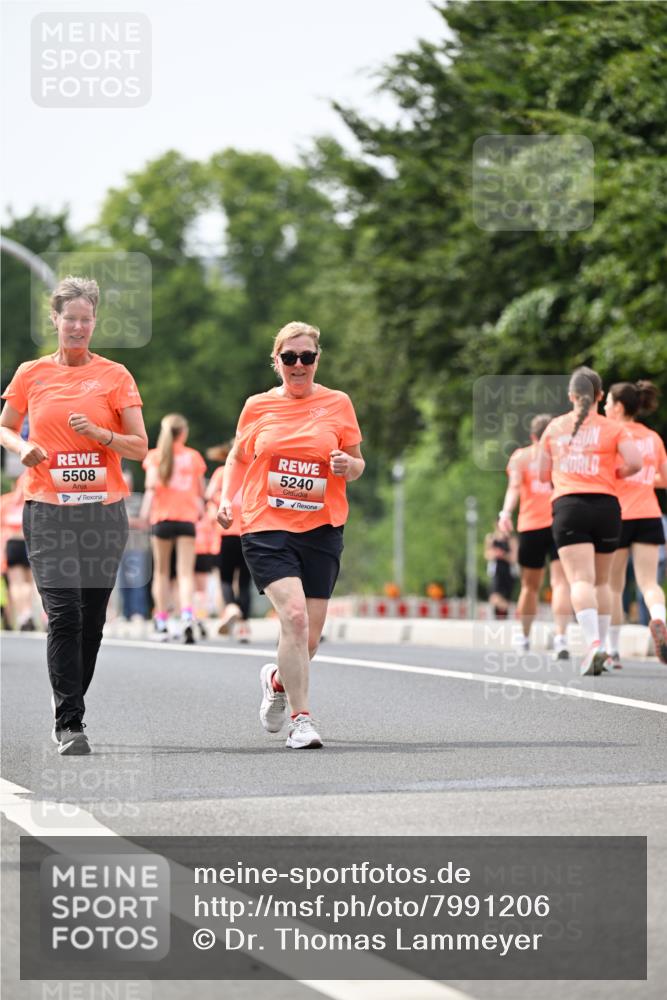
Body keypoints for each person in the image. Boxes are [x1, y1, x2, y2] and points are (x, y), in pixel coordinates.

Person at [0, 275, 147, 754]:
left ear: (94, 322)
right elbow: (4, 427)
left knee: (92, 620)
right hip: (47, 510)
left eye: (87, 319)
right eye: (71, 319)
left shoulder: (115, 376)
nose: (79, 327)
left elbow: (141, 447)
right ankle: (70, 722)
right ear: (55, 319)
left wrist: (102, 436)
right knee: (63, 614)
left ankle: (68, 697)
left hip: (102, 514)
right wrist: (22, 446)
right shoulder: (31, 374)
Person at [217, 321, 364, 749]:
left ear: (317, 359)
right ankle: (302, 720)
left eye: (307, 357)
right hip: (266, 525)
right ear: (277, 361)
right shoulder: (257, 406)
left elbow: (358, 463)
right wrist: (228, 500)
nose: (299, 365)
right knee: (294, 618)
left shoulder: (338, 403)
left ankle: (277, 679)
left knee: (309, 638)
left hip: (321, 527)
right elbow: (238, 457)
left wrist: (346, 467)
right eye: (290, 357)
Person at [538, 366, 641, 676]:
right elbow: (635, 462)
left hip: (570, 506)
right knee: (603, 582)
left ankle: (593, 644)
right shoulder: (613, 428)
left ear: (571, 395)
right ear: (599, 395)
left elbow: (542, 474)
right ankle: (607, 649)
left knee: (580, 580)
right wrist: (614, 473)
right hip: (607, 506)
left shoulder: (554, 428)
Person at [604, 381, 667, 666]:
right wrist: (643, 480)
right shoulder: (653, 438)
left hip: (618, 515)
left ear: (618, 407)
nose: (604, 407)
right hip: (649, 513)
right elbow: (663, 479)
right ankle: (659, 619)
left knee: (614, 586)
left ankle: (613, 651)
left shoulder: (611, 434)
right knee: (648, 582)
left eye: (607, 403)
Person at [499, 414, 572, 658]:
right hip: (560, 523)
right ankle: (561, 638)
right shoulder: (564, 456)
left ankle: (524, 637)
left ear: (532, 436)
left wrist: (505, 513)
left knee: (529, 587)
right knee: (561, 583)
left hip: (530, 526)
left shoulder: (521, 457)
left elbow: (514, 488)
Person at [140, 413, 206, 644]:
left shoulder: (155, 457)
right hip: (187, 519)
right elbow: (200, 492)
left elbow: (150, 488)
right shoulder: (193, 457)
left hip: (161, 519)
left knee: (161, 572)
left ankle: (161, 621)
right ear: (184, 433)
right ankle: (188, 616)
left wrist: (143, 517)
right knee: (185, 572)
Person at [206, 441, 252, 642]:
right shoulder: (253, 472)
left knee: (225, 578)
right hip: (249, 532)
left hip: (225, 533)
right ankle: (244, 627)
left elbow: (208, 496)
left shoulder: (221, 472)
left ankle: (231, 607)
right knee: (244, 581)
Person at [1, 472, 36, 630]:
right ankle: (32, 614)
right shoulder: (33, 501)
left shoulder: (6, 501)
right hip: (30, 541)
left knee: (16, 583)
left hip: (12, 542)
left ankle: (23, 616)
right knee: (30, 582)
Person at [484, 522, 516, 618]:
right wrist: (495, 554)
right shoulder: (491, 538)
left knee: (506, 597)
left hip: (508, 572)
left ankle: (504, 615)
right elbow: (487, 554)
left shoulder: (511, 539)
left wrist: (503, 555)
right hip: (496, 572)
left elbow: (514, 558)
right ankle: (499, 613)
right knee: (494, 597)